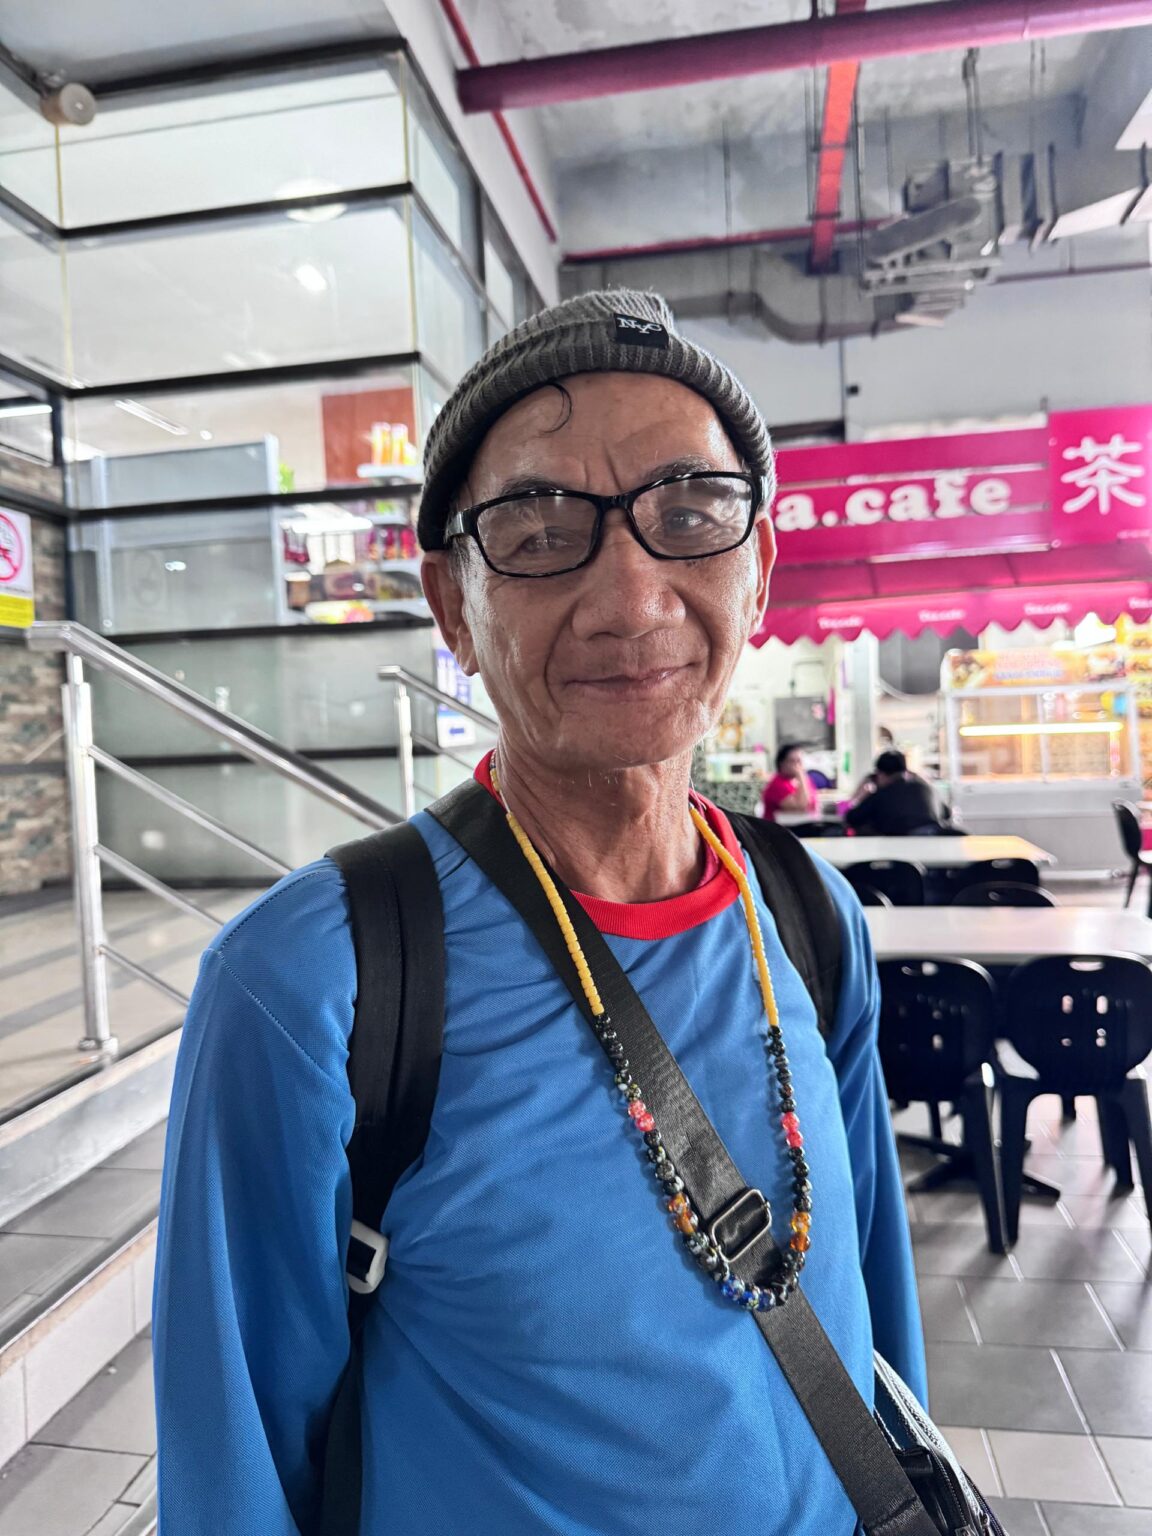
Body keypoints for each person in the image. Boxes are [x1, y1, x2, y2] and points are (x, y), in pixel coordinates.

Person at [153, 289, 925, 1535]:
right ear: (453, 607)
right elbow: (231, 1464)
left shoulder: (808, 918)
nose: (632, 599)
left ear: (760, 572)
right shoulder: (319, 981)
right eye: (539, 530)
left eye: (691, 516)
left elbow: (874, 1345)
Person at [845, 749, 942, 836]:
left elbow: (852, 818)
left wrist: (858, 797)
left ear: (881, 774)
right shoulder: (925, 788)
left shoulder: (881, 795)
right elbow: (946, 813)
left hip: (902, 845)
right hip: (935, 841)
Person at [761, 740, 820, 821]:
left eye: (799, 761)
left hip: (807, 823)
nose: (797, 765)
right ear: (782, 763)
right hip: (781, 826)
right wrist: (801, 776)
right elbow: (801, 807)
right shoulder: (777, 784)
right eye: (792, 761)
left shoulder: (802, 780)